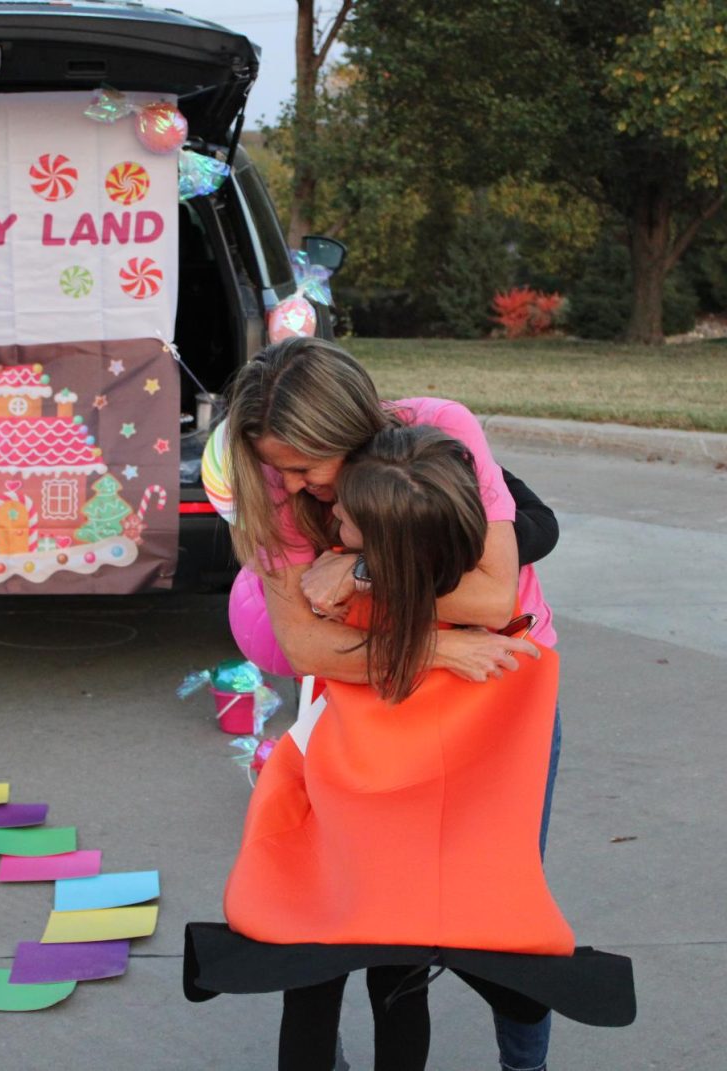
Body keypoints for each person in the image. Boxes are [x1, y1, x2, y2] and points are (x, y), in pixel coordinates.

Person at [183, 416, 636, 1069]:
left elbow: (535, 525)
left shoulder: (425, 478)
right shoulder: (383, 501)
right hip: (387, 803)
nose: (320, 501)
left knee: (430, 946)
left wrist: (367, 569)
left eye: (329, 495)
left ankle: (523, 1055)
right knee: (395, 965)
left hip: (428, 782)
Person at [221, 337, 561, 1071]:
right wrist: (437, 646)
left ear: (347, 436)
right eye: (276, 465)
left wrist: (366, 564)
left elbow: (493, 594)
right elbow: (305, 646)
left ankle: (524, 1060)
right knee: (355, 914)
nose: (291, 484)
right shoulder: (279, 485)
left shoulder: (441, 431)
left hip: (496, 700)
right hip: (376, 705)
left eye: (306, 466)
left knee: (498, 909)